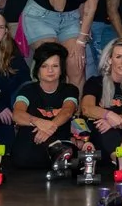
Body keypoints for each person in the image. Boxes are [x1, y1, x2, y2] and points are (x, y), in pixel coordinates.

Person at [6, 43, 79, 177]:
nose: (50, 70)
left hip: (60, 139)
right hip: (31, 147)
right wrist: (38, 122)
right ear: (37, 69)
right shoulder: (27, 90)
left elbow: (67, 111)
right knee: (29, 129)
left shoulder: (70, 90)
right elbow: (17, 114)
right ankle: (57, 154)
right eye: (45, 66)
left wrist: (50, 127)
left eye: (55, 66)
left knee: (71, 149)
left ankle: (58, 153)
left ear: (61, 69)